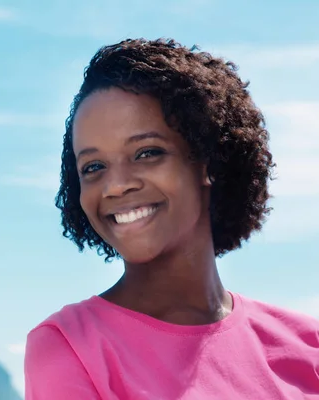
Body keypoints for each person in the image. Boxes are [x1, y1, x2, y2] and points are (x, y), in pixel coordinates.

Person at [24, 38, 319, 399]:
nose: (115, 186)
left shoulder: (309, 345)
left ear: (207, 161)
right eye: (94, 166)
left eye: (147, 153)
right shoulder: (69, 348)